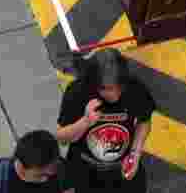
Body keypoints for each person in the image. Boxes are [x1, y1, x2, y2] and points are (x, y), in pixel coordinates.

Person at [57, 48, 155, 193]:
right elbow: (61, 137)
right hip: (86, 172)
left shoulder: (135, 88)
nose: (115, 94)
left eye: (118, 87)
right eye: (106, 89)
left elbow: (144, 121)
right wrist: (85, 121)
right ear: (94, 82)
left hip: (122, 170)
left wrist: (135, 153)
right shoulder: (77, 92)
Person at [0, 131, 71, 193]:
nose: (48, 178)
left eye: (54, 168)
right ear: (21, 168)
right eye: (41, 175)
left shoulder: (59, 167)